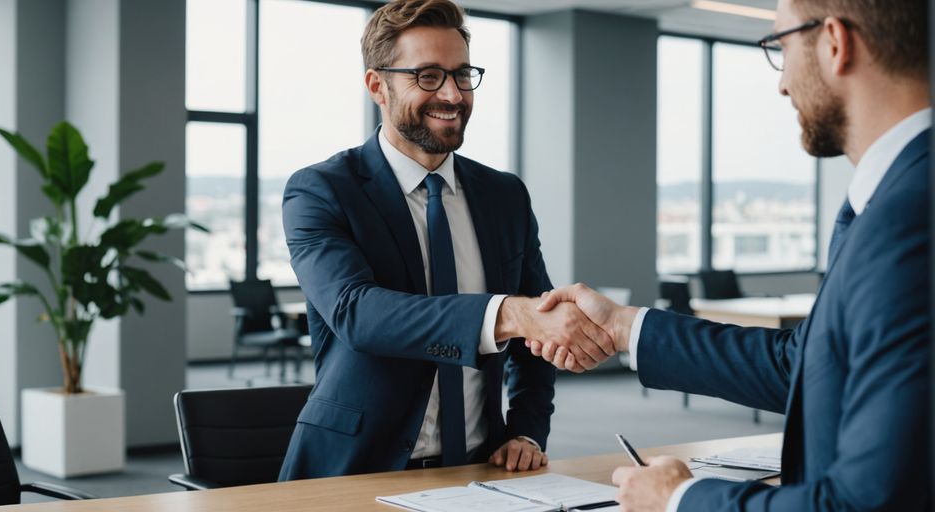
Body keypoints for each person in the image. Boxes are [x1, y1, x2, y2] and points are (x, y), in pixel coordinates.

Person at [527, 0, 931, 510]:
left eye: (780, 46)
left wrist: (680, 498)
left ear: (835, 42)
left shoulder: (908, 220)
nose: (782, 84)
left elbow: (867, 503)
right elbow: (804, 365)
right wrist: (623, 327)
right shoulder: (894, 198)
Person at [278, 0, 613, 481]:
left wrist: (527, 430)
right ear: (378, 85)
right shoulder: (322, 190)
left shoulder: (504, 195)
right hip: (356, 470)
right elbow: (358, 313)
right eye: (429, 76)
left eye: (461, 74)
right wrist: (506, 314)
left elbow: (536, 329)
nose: (453, 95)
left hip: (481, 468)